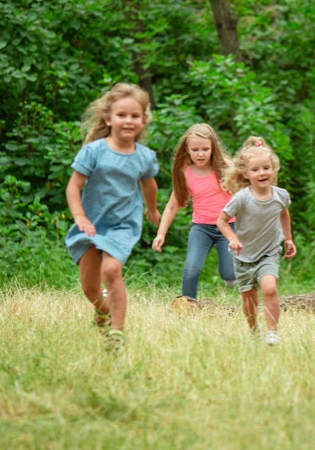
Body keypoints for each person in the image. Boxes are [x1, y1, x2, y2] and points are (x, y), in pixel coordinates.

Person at [65, 83, 160, 351]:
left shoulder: (145, 157)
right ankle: (103, 309)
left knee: (111, 269)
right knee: (89, 288)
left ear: (143, 121)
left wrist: (152, 209)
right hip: (91, 224)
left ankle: (117, 332)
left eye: (135, 116)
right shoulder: (94, 151)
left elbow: (149, 186)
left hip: (123, 224)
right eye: (122, 115)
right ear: (108, 119)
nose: (128, 120)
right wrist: (80, 216)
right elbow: (73, 187)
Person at [216, 138, 296, 345]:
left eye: (266, 168)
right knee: (249, 301)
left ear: (273, 169)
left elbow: (284, 213)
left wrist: (287, 238)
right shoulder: (241, 198)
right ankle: (253, 329)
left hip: (268, 252)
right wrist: (233, 239)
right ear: (245, 174)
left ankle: (272, 333)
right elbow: (222, 221)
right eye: (255, 170)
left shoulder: (280, 196)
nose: (262, 173)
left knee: (269, 288)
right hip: (243, 256)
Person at [152, 123, 236, 299]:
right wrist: (161, 233)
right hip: (201, 228)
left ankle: (231, 276)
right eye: (195, 149)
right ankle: (187, 305)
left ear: (213, 147)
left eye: (205, 149)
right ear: (187, 150)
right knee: (191, 269)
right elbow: (172, 206)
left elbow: (245, 191)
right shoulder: (186, 174)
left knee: (229, 273)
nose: (200, 154)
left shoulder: (225, 167)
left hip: (228, 226)